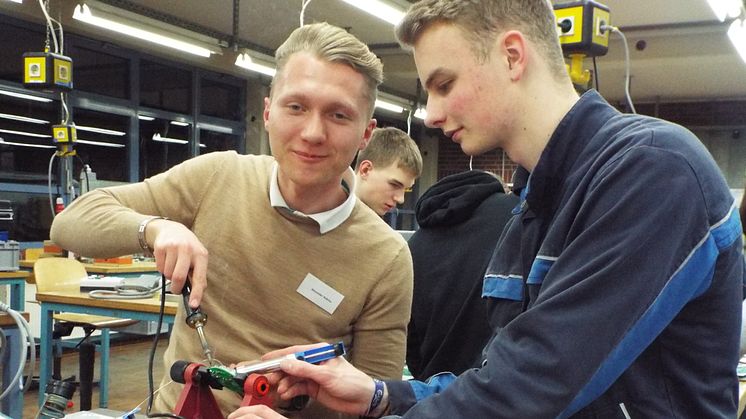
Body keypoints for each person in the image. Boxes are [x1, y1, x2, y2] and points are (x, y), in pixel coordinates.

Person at [228, 0, 745, 418]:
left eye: (444, 84)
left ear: (513, 56)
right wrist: (379, 395)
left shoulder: (652, 171)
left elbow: (529, 392)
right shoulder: (532, 207)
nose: (430, 115)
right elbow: (494, 377)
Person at [50, 22, 414, 418]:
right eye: (296, 107)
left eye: (339, 115)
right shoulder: (217, 178)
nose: (313, 132)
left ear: (366, 133)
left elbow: (378, 404)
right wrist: (155, 228)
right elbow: (73, 222)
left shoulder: (386, 257)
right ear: (268, 111)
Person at [406, 170, 518, 380]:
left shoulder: (416, 241)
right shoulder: (515, 218)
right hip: (494, 382)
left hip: (431, 389)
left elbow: (407, 329)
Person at [354, 127, 422, 217]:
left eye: (406, 189)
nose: (401, 199)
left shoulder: (379, 229)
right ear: (365, 170)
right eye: (394, 185)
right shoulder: (330, 215)